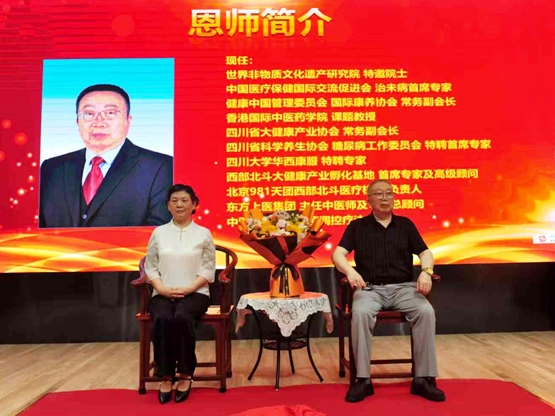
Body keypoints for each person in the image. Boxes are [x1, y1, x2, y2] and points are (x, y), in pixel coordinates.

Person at [332, 179, 446, 403]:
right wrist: (351, 272)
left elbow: (425, 252)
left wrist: (426, 272)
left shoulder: (406, 225)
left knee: (425, 311)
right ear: (368, 200)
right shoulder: (357, 226)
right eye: (378, 194)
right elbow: (337, 254)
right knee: (360, 313)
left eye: (389, 193)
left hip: (404, 288)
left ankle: (423, 379)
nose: (385, 198)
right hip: (369, 289)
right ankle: (362, 380)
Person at [39, 84, 173, 228]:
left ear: (128, 121)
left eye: (110, 113)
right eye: (89, 114)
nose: (99, 122)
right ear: (78, 122)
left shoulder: (161, 167)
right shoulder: (52, 168)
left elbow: (161, 231)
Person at [144, 184, 215, 404]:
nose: (179, 205)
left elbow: (208, 268)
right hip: (162, 291)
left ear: (194, 204)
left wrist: (190, 288)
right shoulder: (159, 233)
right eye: (174, 201)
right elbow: (150, 266)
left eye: (184, 200)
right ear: (168, 206)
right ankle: (165, 375)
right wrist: (161, 288)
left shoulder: (203, 233)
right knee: (163, 317)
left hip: (196, 292)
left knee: (182, 316)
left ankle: (185, 373)